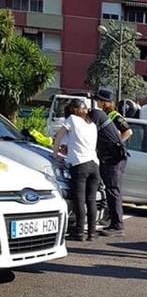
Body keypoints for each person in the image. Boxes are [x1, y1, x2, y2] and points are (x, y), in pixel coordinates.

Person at [52, 99, 100, 242]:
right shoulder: (92, 125)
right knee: (91, 200)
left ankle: (79, 232)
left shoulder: (72, 119)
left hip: (80, 165)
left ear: (74, 110)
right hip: (94, 165)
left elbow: (58, 137)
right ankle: (91, 232)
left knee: (79, 200)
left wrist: (55, 154)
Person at [88, 87, 132, 237]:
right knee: (110, 189)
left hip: (114, 156)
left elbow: (128, 131)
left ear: (105, 102)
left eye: (98, 100)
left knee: (113, 190)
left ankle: (117, 225)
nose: (96, 103)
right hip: (108, 156)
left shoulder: (114, 115)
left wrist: (117, 143)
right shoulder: (104, 115)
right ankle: (110, 219)